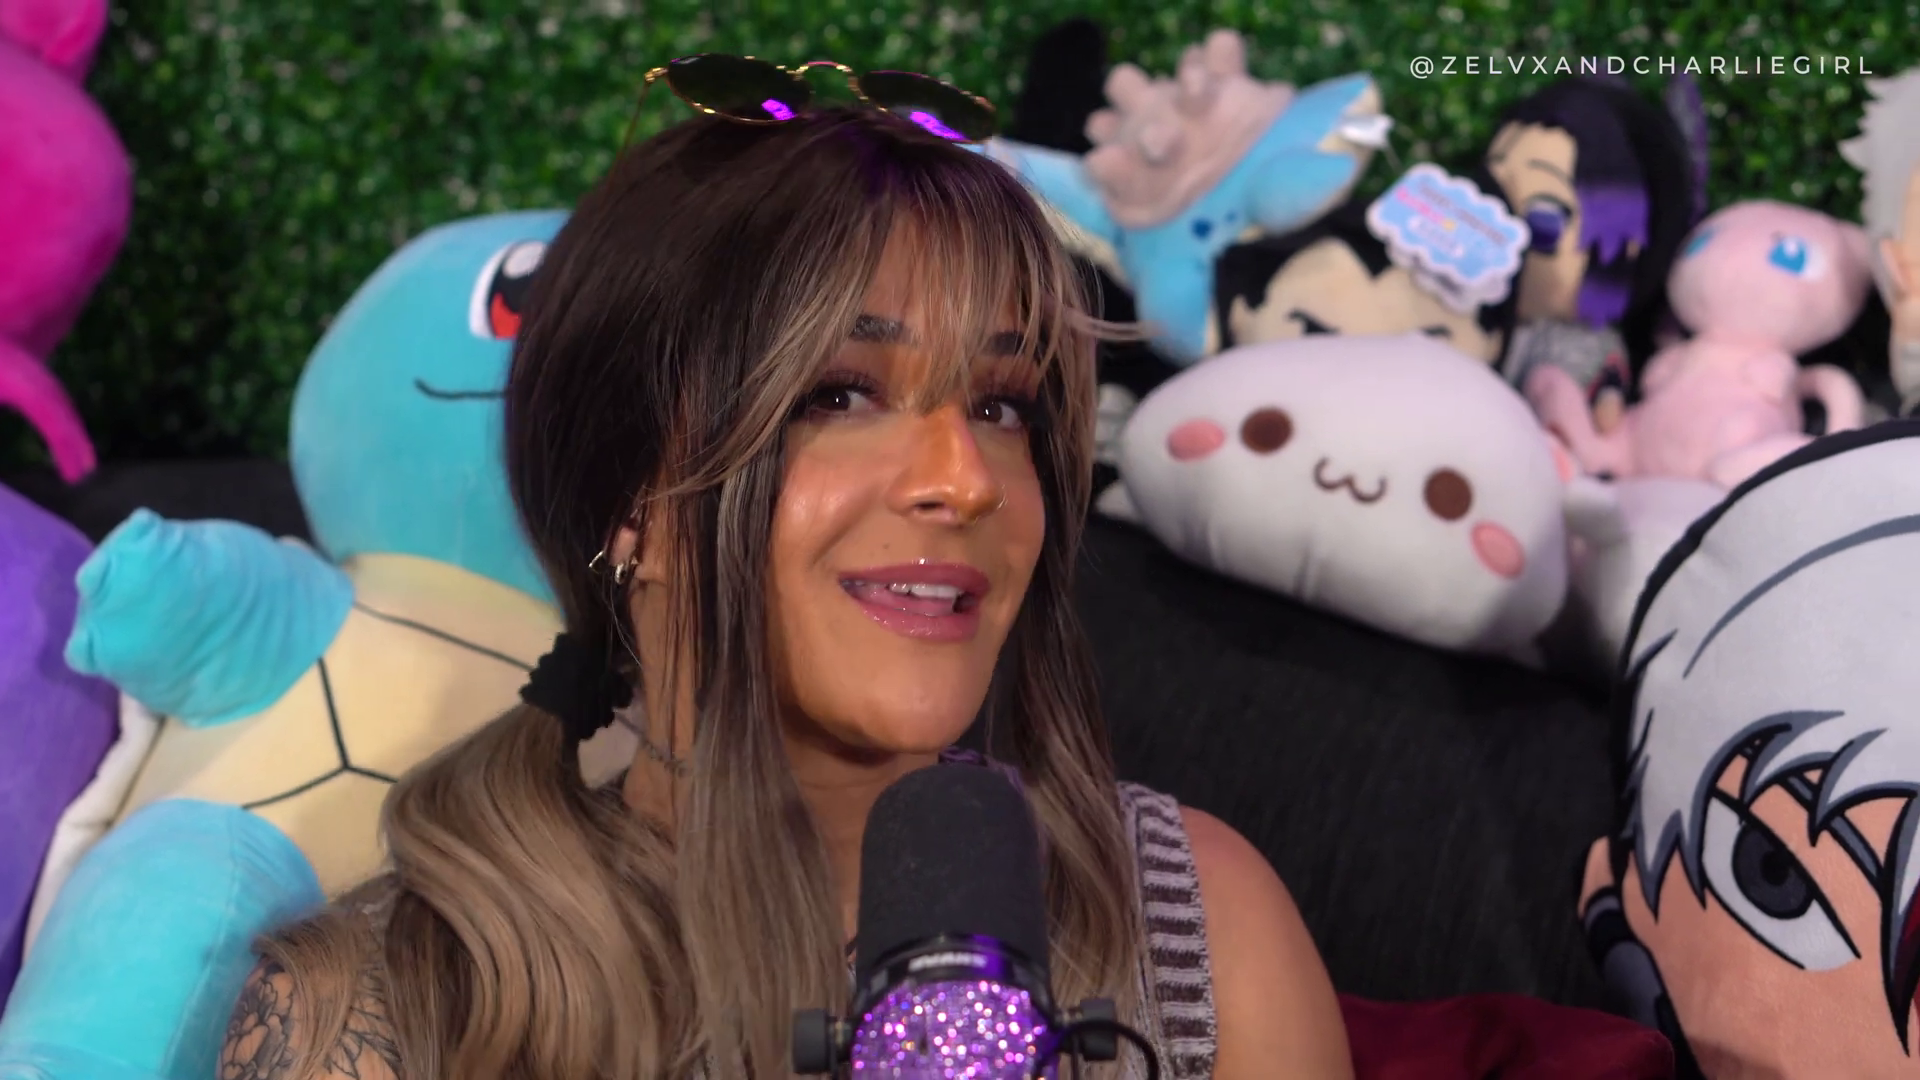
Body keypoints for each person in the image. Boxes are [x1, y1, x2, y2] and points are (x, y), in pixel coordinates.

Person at [215, 87, 1350, 1080]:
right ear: (629, 499)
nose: (965, 481)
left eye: (1000, 405)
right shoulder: (383, 1006)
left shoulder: (1192, 921)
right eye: (839, 395)